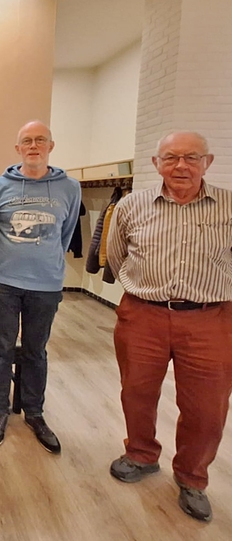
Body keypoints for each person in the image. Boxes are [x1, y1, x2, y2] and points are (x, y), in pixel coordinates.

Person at [106, 131, 232, 523]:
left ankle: (192, 477)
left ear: (207, 162)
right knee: (137, 391)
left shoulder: (229, 206)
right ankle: (141, 454)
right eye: (171, 157)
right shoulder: (131, 205)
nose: (181, 165)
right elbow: (116, 255)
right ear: (156, 163)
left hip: (210, 316)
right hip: (143, 314)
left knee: (207, 406)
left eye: (192, 157)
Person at [0, 121, 81, 454]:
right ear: (18, 148)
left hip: (46, 284)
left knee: (36, 350)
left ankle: (35, 413)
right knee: (2, 347)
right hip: (4, 282)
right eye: (27, 141)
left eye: (40, 140)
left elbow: (65, 235)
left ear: (51, 146)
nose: (34, 146)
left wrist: (45, 262)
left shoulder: (69, 188)